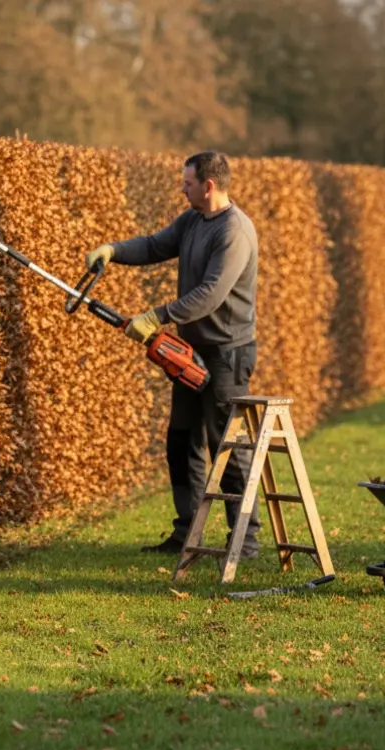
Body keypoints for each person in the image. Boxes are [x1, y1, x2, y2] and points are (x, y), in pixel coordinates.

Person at [85, 150, 261, 557]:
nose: (182, 188)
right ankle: (188, 534)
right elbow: (153, 246)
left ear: (209, 185)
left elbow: (211, 295)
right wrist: (113, 250)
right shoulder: (193, 221)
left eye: (187, 182)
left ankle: (245, 540)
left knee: (226, 446)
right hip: (191, 351)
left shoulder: (234, 231)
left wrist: (156, 316)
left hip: (227, 354)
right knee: (181, 441)